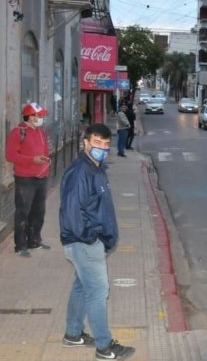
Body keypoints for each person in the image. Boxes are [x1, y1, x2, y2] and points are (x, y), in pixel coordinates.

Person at [59, 123, 135, 360]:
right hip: (84, 243)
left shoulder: (96, 168)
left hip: (88, 242)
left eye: (105, 144)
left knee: (82, 286)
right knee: (98, 291)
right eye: (97, 143)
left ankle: (73, 334)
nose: (102, 147)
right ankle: (104, 347)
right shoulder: (81, 171)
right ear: (86, 143)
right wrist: (91, 238)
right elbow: (73, 211)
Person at [5, 102, 51, 257]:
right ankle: (20, 246)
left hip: (41, 178)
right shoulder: (17, 132)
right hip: (25, 179)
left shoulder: (40, 132)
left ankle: (34, 241)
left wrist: (45, 162)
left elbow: (45, 152)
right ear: (29, 116)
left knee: (39, 211)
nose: (40, 118)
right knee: (23, 212)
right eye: (38, 115)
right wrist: (32, 160)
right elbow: (10, 155)